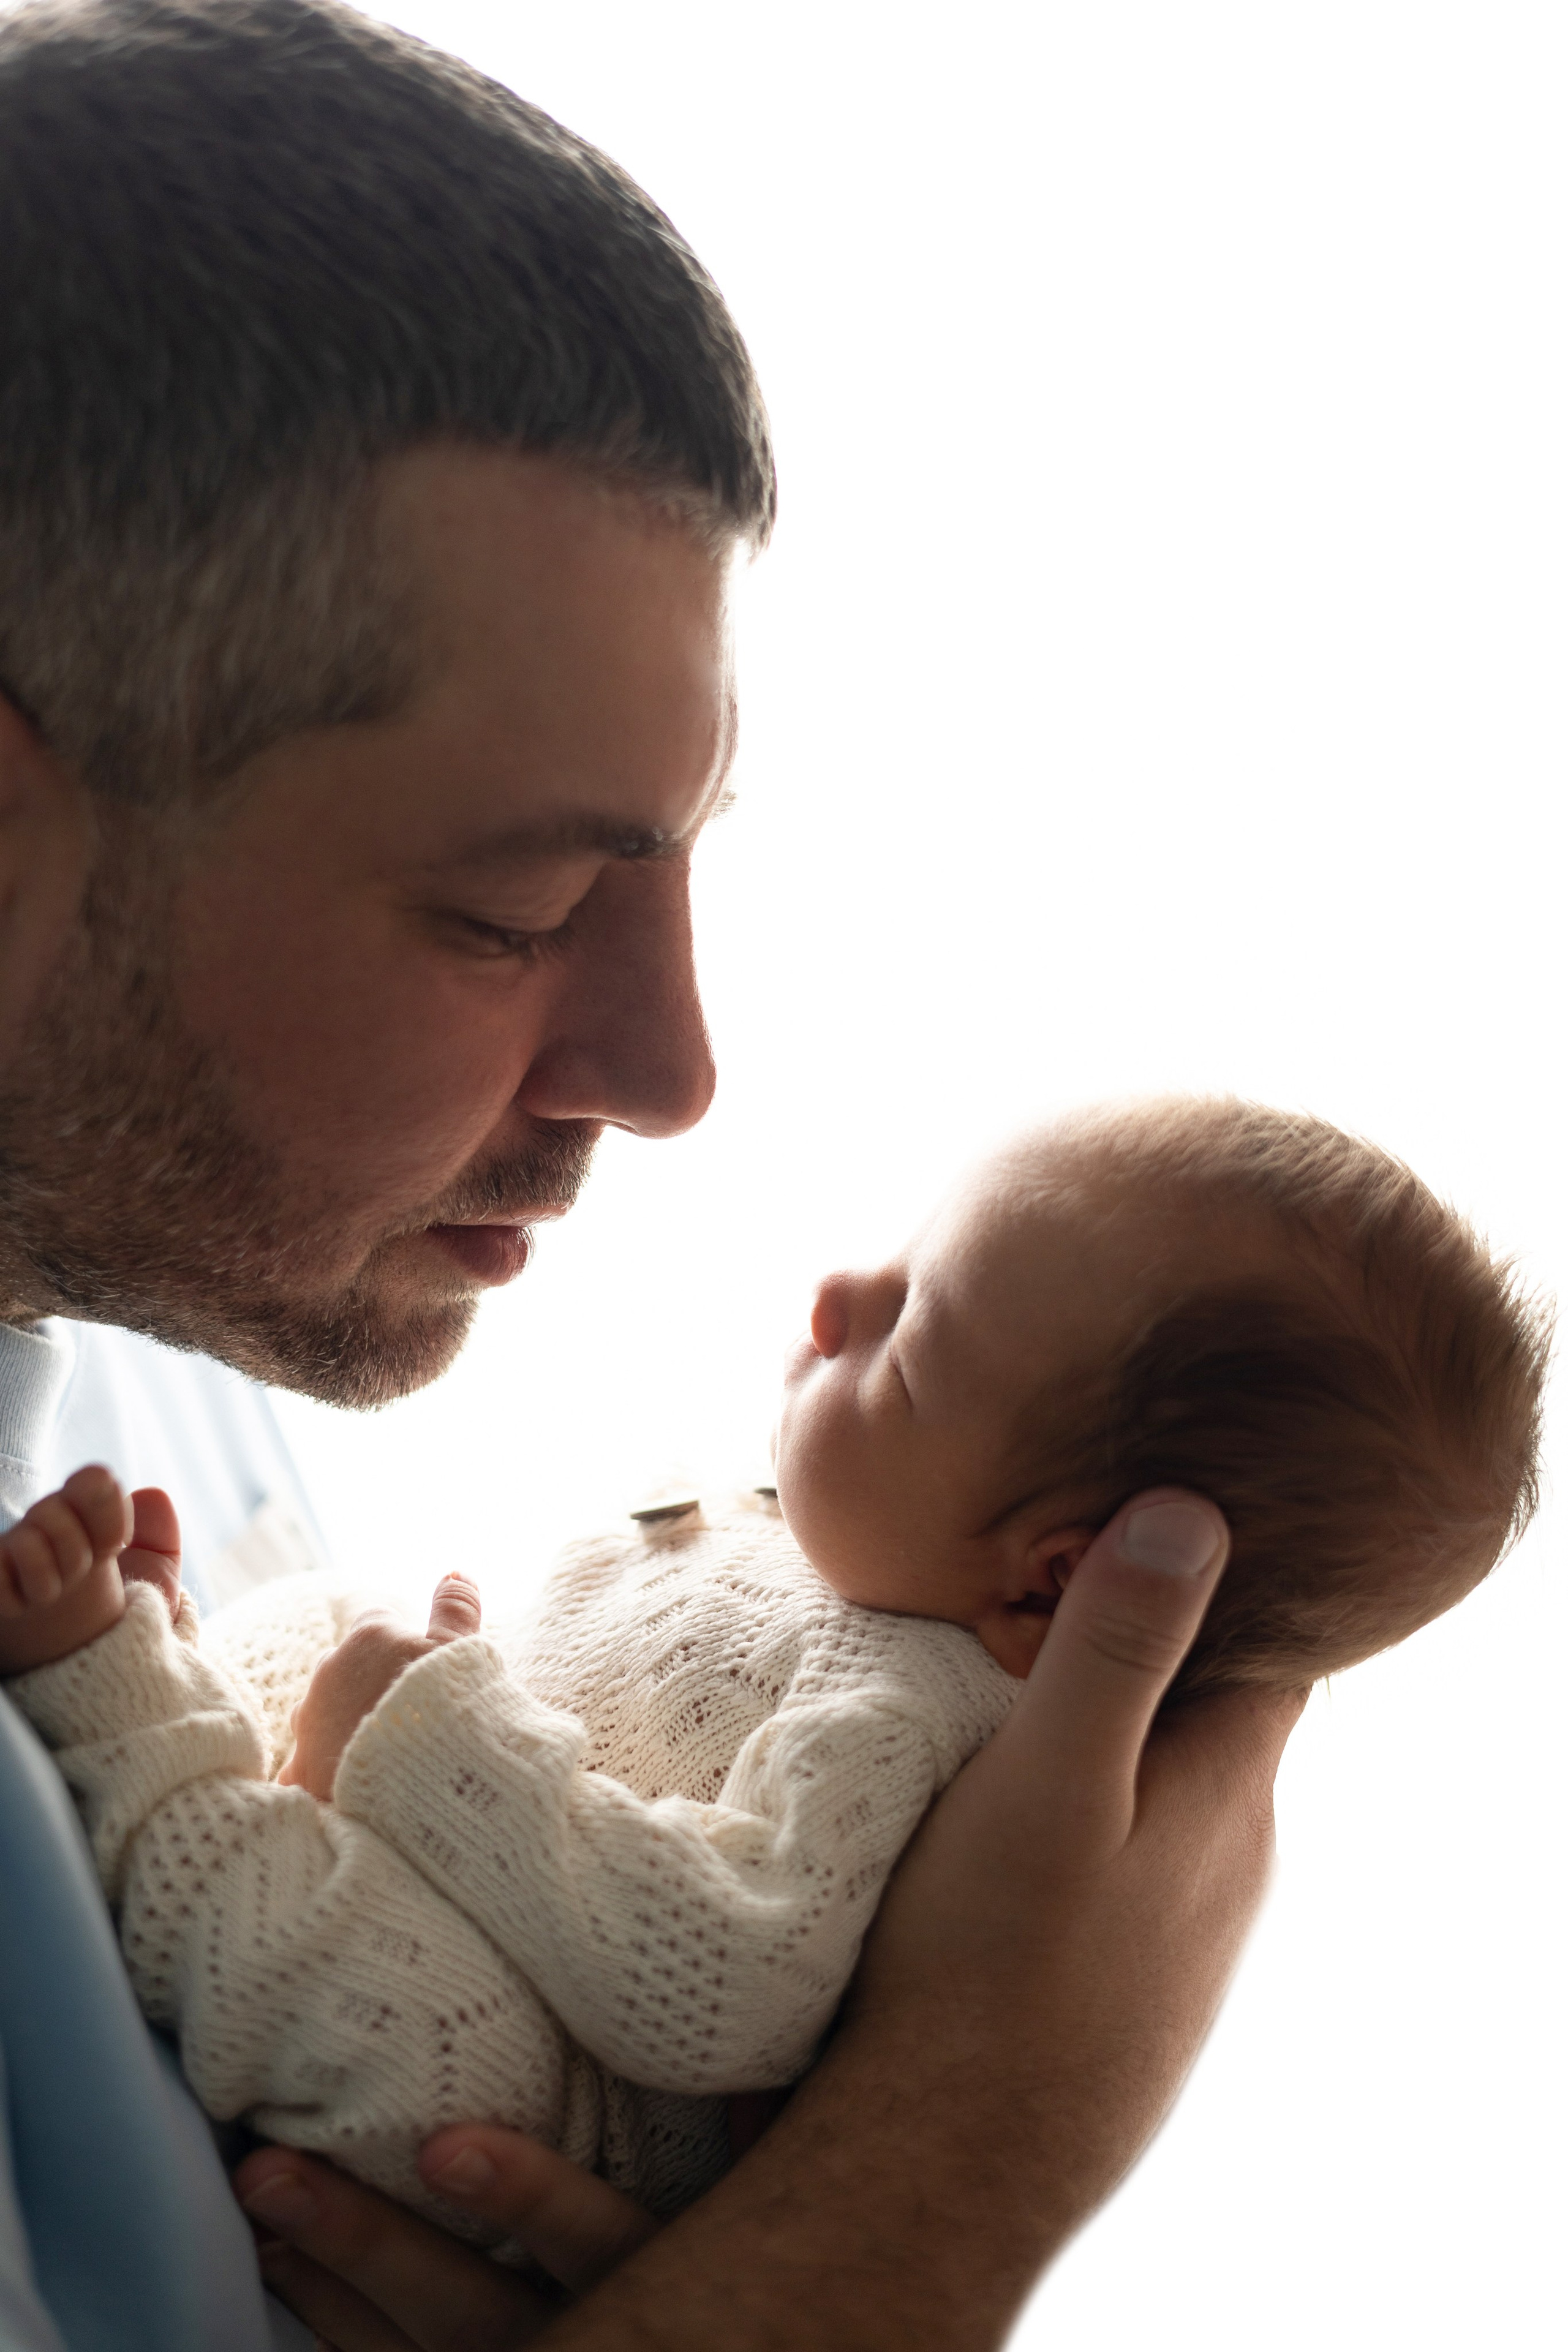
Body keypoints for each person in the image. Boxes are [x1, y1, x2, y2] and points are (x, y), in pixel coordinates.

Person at [0, 2, 1303, 2344]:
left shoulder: (174, 1379)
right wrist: (963, 2162)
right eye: (512, 912)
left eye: (682, 866)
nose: (674, 1070)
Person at [0, 1096, 1547, 2247]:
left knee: (406, 2025)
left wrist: (427, 1718)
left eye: (908, 1345)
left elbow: (712, 1985)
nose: (833, 1304)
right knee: (341, 1617)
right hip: (436, 1844)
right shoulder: (838, 1544)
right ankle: (191, 1690)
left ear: (1054, 1576)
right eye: (901, 1261)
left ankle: (134, 1737)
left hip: (532, 2096)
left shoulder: (911, 1712)